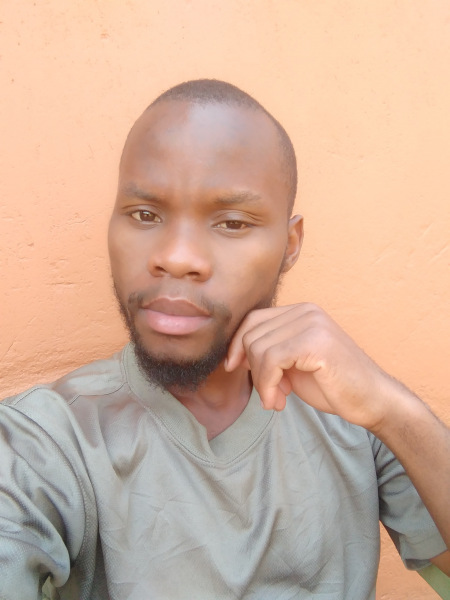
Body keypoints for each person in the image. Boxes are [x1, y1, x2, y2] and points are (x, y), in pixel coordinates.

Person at [0, 79, 448, 600]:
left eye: (232, 223)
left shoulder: (356, 420)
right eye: (145, 214)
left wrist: (393, 411)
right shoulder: (42, 443)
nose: (177, 257)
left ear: (290, 244)